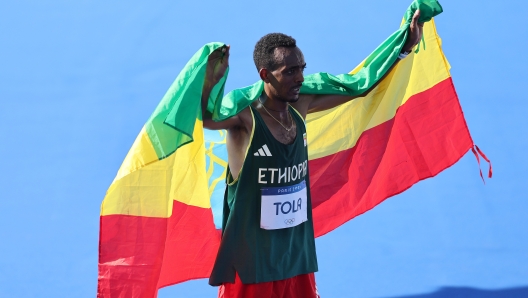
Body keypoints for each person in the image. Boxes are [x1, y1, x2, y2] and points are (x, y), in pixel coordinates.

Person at [201, 10, 425, 298]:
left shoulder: (301, 103)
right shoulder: (244, 117)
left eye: (302, 68)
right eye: (290, 71)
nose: (300, 78)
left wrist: (404, 47)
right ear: (265, 75)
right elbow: (206, 119)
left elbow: (359, 86)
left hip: (295, 250)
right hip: (251, 259)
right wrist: (210, 79)